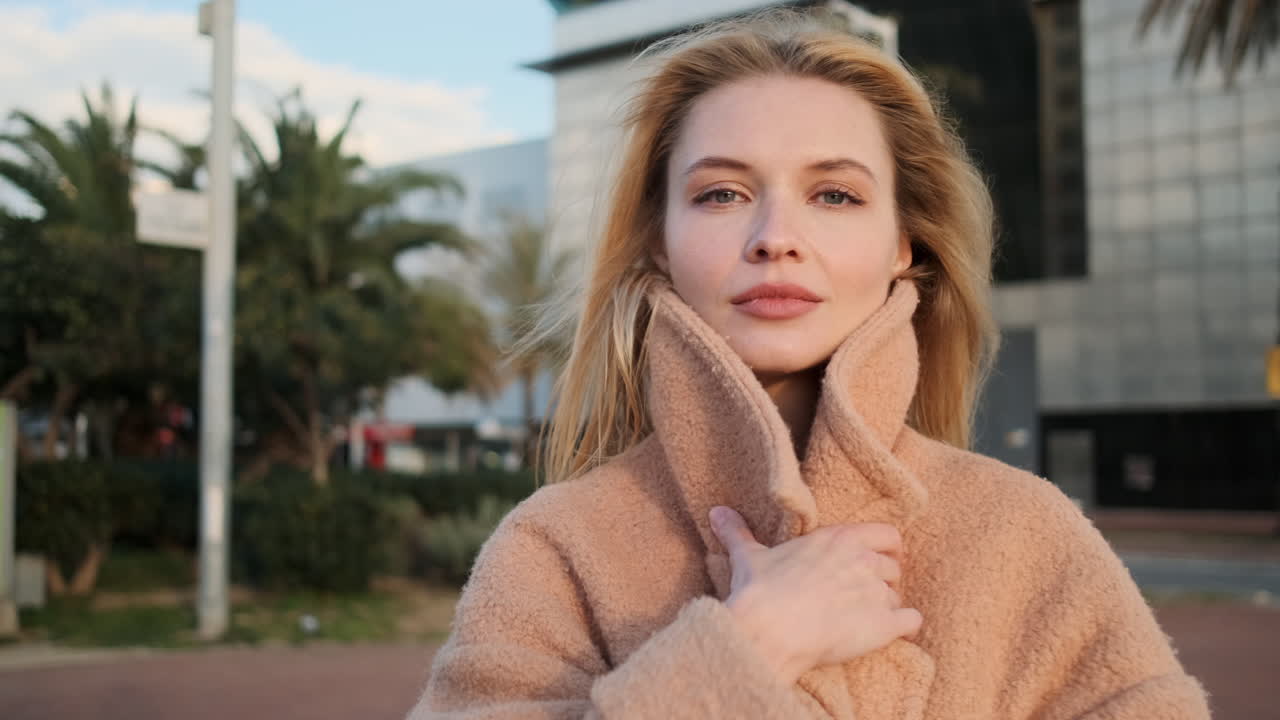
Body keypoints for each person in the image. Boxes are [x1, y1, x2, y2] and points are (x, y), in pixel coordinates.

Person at [407, 11, 1209, 719]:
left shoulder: (1027, 533)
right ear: (660, 239)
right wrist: (749, 649)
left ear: (904, 242)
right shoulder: (556, 546)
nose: (775, 236)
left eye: (835, 196)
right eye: (721, 194)